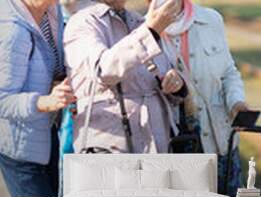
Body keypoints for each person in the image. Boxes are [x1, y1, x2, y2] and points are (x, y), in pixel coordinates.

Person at [0, 0, 76, 197]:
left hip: (39, 125)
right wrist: (45, 101)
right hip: (13, 138)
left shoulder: (50, 13)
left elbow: (52, 63)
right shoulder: (12, 32)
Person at [146, 0, 251, 196]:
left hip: (219, 142)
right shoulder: (142, 33)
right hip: (174, 149)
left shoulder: (211, 20)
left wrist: (236, 101)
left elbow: (228, 72)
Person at [64, 0, 188, 154]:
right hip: (110, 151)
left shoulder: (138, 21)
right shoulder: (82, 22)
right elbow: (103, 70)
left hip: (157, 149)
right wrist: (151, 31)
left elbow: (162, 78)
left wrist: (176, 84)